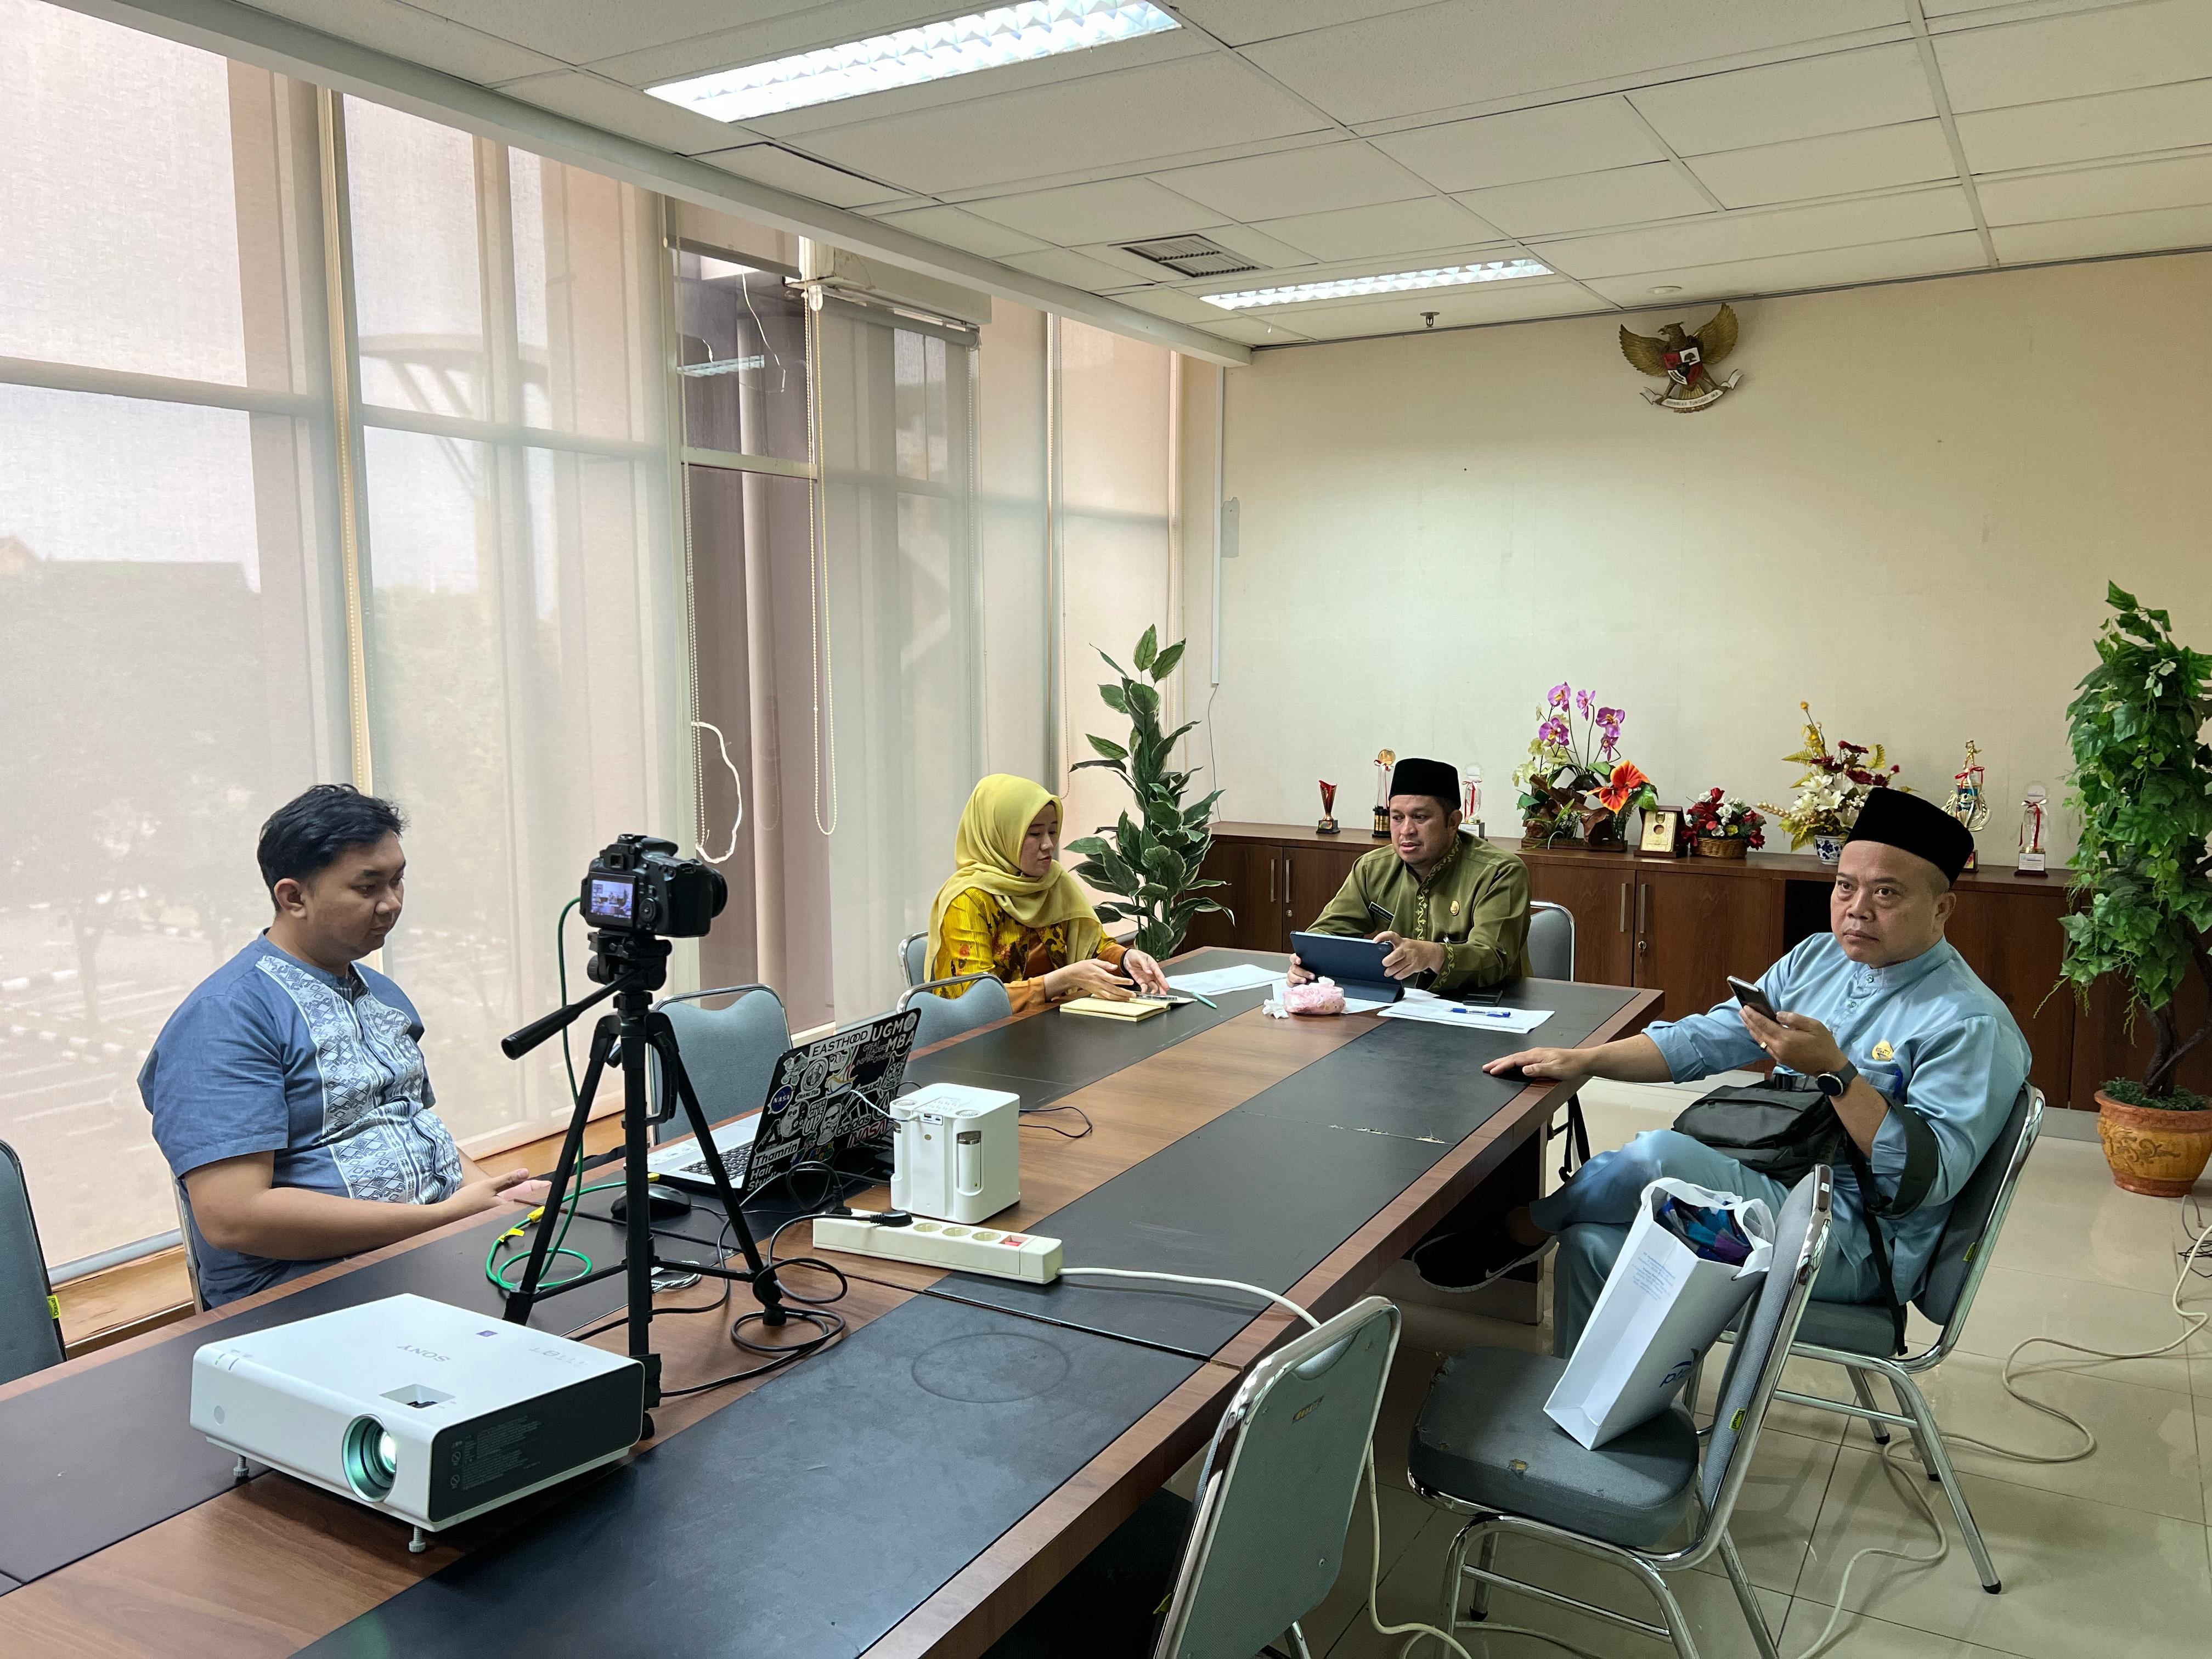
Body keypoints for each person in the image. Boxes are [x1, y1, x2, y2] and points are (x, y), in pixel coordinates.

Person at [1417, 788, 2031, 1353]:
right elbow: (1707, 1040)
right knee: (1590, 1242)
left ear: (1942, 908)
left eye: (1887, 893)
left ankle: (1525, 1227)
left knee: (1660, 1156)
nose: (1858, 910)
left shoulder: (1969, 1024)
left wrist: (1838, 1075)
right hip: (1771, 1181)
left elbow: (1925, 1181)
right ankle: (1585, 1421)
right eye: (1845, 887)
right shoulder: (1820, 959)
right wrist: (1585, 1060)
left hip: (1848, 1241)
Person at [139, 785, 547, 1307]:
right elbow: (233, 1218)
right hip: (302, 1290)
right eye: (368, 887)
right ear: (294, 898)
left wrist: (496, 1199)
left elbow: (412, 1124)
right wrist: (440, 1218)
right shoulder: (226, 1018)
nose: (391, 903)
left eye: (398, 880)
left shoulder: (381, 993)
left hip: (427, 1247)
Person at [928, 774, 1172, 1015]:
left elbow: (1093, 948)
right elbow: (978, 1002)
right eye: (1035, 834)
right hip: (987, 1035)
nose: (1048, 845)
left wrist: (1125, 959)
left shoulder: (1053, 882)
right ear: (1000, 835)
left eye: (1053, 831)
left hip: (1050, 1020)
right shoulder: (968, 900)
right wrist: (1061, 980)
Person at [1289, 756, 1530, 994]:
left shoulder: (1499, 872)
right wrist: (1307, 962)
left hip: (1489, 1005)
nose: (1406, 830)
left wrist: (1433, 954)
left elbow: (1493, 957)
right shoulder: (1373, 868)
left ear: (1453, 822)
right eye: (1397, 818)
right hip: (1400, 1003)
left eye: (1420, 817)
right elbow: (1324, 934)